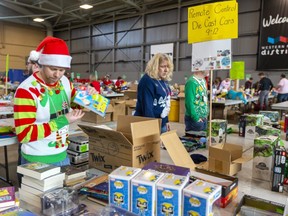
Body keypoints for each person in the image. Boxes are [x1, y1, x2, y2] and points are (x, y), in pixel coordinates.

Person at [14, 36, 97, 166]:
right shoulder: (26, 90)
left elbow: (77, 106)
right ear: (42, 64)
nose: (57, 75)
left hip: (63, 154)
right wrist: (63, 120)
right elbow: (25, 134)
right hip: (37, 159)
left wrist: (89, 96)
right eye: (53, 69)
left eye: (62, 70)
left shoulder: (64, 82)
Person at [134, 53, 173, 134]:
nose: (166, 70)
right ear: (155, 66)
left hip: (161, 122)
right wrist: (153, 128)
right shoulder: (147, 81)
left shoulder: (163, 81)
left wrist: (166, 121)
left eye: (168, 67)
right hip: (148, 124)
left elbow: (165, 103)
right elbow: (147, 108)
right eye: (163, 66)